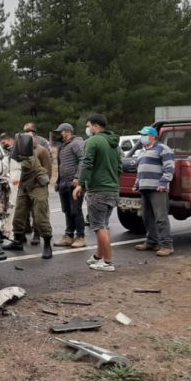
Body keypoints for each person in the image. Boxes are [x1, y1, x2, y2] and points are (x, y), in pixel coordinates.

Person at [73, 114, 122, 272]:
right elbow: (119, 166)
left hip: (98, 190)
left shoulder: (93, 141)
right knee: (104, 225)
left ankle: (107, 262)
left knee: (99, 226)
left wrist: (80, 184)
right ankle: (98, 257)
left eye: (88, 126)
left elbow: (87, 164)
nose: (87, 129)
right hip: (112, 189)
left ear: (95, 126)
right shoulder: (114, 143)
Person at [4, 133, 54, 259]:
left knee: (40, 216)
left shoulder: (31, 153)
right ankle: (17, 241)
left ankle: (47, 244)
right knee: (18, 214)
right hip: (23, 185)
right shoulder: (14, 153)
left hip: (37, 185)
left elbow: (26, 166)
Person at [133, 126, 175, 256]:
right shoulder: (142, 151)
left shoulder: (163, 149)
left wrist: (163, 182)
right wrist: (137, 184)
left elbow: (169, 168)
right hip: (144, 187)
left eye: (144, 135)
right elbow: (139, 170)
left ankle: (167, 245)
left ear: (153, 136)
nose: (142, 138)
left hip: (157, 188)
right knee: (147, 217)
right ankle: (152, 241)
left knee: (161, 218)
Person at [53, 123, 86, 248]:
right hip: (63, 184)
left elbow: (83, 160)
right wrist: (57, 182)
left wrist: (78, 177)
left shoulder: (76, 144)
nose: (59, 135)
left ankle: (81, 237)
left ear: (67, 132)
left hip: (74, 184)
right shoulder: (62, 147)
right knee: (67, 210)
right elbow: (60, 165)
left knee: (75, 211)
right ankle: (69, 236)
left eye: (60, 132)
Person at [21, 122, 52, 246]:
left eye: (28, 130)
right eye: (24, 131)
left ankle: (37, 234)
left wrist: (44, 180)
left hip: (38, 184)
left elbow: (48, 165)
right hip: (25, 184)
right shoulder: (23, 145)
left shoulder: (42, 145)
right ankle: (22, 231)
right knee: (23, 210)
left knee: (38, 212)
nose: (26, 132)